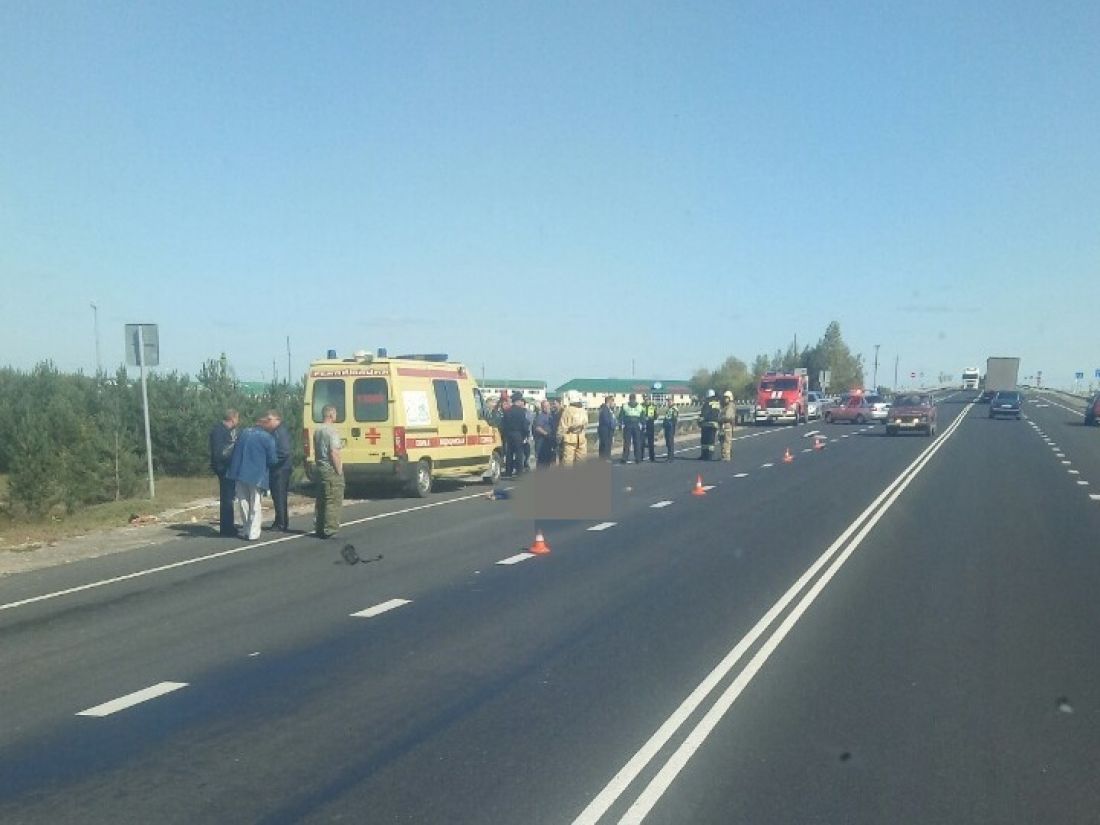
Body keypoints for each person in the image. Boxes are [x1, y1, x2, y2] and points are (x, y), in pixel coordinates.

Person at [226, 414, 278, 540]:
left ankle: (246, 528)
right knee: (255, 503)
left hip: (239, 472)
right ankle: (253, 532)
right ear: (265, 424)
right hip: (256, 474)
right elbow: (272, 459)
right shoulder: (267, 438)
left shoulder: (243, 433)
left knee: (243, 502)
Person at [313, 404, 345, 539]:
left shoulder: (317, 430)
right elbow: (334, 452)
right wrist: (339, 471)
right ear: (331, 415)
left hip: (320, 468)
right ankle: (330, 528)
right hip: (330, 469)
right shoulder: (332, 432)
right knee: (333, 499)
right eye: (335, 414)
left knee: (321, 499)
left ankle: (319, 527)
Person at [208, 408, 239, 536]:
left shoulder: (224, 430)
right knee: (227, 498)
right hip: (223, 468)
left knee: (229, 497)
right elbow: (219, 453)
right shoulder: (219, 431)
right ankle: (226, 528)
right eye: (237, 418)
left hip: (226, 467)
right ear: (232, 418)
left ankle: (228, 526)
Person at [266, 410, 292, 531]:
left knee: (280, 496)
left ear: (277, 419)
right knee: (277, 497)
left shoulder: (280, 432)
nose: (268, 422)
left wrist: (272, 461)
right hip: (279, 469)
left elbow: (284, 452)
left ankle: (281, 523)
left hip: (281, 470)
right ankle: (280, 520)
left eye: (269, 419)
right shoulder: (274, 432)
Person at [501, 391, 530, 477]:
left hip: (509, 434)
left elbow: (504, 424)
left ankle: (508, 471)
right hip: (518, 434)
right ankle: (519, 471)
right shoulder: (521, 411)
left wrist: (505, 434)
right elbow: (524, 424)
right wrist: (526, 434)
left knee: (509, 453)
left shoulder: (507, 411)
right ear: (518, 401)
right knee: (519, 453)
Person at [557, 390, 588, 465]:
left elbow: (562, 426)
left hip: (569, 438)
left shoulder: (567, 411)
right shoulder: (583, 411)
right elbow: (586, 425)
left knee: (568, 461)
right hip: (581, 438)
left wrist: (558, 437)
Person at [618, 393, 645, 464]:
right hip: (635, 425)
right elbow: (643, 417)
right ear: (635, 398)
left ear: (629, 398)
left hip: (628, 425)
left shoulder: (625, 406)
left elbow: (621, 416)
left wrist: (620, 425)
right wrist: (643, 426)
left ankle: (625, 458)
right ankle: (638, 458)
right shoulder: (640, 406)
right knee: (636, 443)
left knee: (627, 443)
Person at [532, 400, 556, 468]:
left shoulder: (550, 416)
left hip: (548, 441)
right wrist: (546, 434)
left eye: (548, 406)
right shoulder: (540, 416)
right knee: (542, 461)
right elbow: (538, 428)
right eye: (545, 406)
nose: (547, 407)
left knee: (548, 461)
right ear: (542, 407)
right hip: (542, 441)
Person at [699, 389, 721, 460]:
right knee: (711, 441)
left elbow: (704, 414)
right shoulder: (717, 403)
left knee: (705, 441)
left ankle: (704, 455)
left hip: (706, 424)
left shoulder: (707, 403)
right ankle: (709, 456)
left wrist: (700, 420)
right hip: (714, 424)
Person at [718, 390, 737, 461]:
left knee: (727, 441)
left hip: (727, 425)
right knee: (722, 441)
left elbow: (728, 416)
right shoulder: (724, 406)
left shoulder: (730, 406)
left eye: (727, 398)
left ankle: (727, 456)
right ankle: (724, 455)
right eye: (724, 397)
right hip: (723, 426)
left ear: (730, 398)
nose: (725, 399)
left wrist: (720, 418)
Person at [597, 395, 617, 460]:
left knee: (608, 444)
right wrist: (612, 425)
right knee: (605, 445)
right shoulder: (605, 409)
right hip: (605, 430)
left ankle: (606, 458)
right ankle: (604, 458)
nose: (614, 403)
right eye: (613, 401)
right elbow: (606, 420)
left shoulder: (609, 410)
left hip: (608, 430)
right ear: (609, 401)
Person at [642, 394, 659, 462]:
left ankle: (652, 457)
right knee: (642, 442)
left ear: (649, 399)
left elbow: (656, 416)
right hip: (643, 425)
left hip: (650, 425)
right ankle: (641, 457)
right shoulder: (641, 406)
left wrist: (651, 418)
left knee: (651, 442)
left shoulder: (653, 406)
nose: (646, 400)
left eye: (647, 399)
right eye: (645, 399)